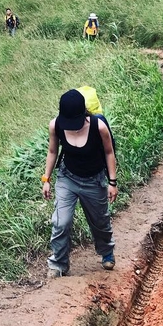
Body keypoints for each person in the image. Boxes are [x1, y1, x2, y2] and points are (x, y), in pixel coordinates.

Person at [41, 88, 118, 279]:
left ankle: (106, 252)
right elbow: (52, 152)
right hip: (68, 178)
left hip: (94, 180)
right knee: (61, 221)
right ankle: (59, 263)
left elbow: (109, 153)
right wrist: (46, 179)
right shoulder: (56, 125)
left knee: (100, 221)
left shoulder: (98, 126)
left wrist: (112, 182)